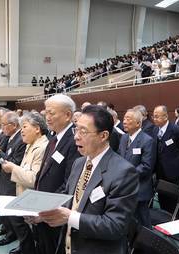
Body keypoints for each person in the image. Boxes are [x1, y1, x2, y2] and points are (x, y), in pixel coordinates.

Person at [36, 105, 139, 254]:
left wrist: (70, 217)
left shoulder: (123, 172)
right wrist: (43, 212)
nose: (76, 136)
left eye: (83, 131)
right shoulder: (79, 163)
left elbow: (116, 225)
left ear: (103, 136)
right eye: (76, 129)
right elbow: (69, 197)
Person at [33, 94, 81, 254]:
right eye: (46, 113)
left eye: (51, 113)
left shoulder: (74, 141)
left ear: (68, 115)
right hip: (42, 209)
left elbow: (69, 184)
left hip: (55, 214)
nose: (47, 117)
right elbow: (43, 173)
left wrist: (46, 210)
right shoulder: (53, 138)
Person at [1, 112, 49, 254]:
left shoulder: (41, 147)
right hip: (26, 198)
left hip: (35, 200)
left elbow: (34, 179)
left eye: (25, 127)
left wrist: (13, 168)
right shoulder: (30, 145)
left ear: (37, 129)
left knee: (40, 240)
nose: (21, 130)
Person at [0, 111, 26, 248]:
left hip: (13, 182)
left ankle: (19, 241)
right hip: (5, 179)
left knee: (15, 217)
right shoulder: (11, 137)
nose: (2, 126)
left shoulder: (20, 139)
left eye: (4, 124)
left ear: (13, 125)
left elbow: (14, 162)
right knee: (8, 213)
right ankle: (10, 232)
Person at [118, 108, 154, 227]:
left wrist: (126, 174)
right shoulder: (124, 138)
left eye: (128, 119)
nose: (124, 122)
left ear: (138, 123)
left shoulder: (147, 141)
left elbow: (146, 167)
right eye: (124, 118)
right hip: (124, 187)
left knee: (143, 223)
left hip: (139, 188)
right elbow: (119, 158)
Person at [152, 105, 179, 217]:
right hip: (159, 172)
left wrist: (177, 162)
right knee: (162, 199)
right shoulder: (155, 130)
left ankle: (177, 222)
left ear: (165, 117)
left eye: (157, 116)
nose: (154, 119)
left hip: (173, 172)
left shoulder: (176, 130)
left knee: (174, 200)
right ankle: (165, 220)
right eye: (154, 117)